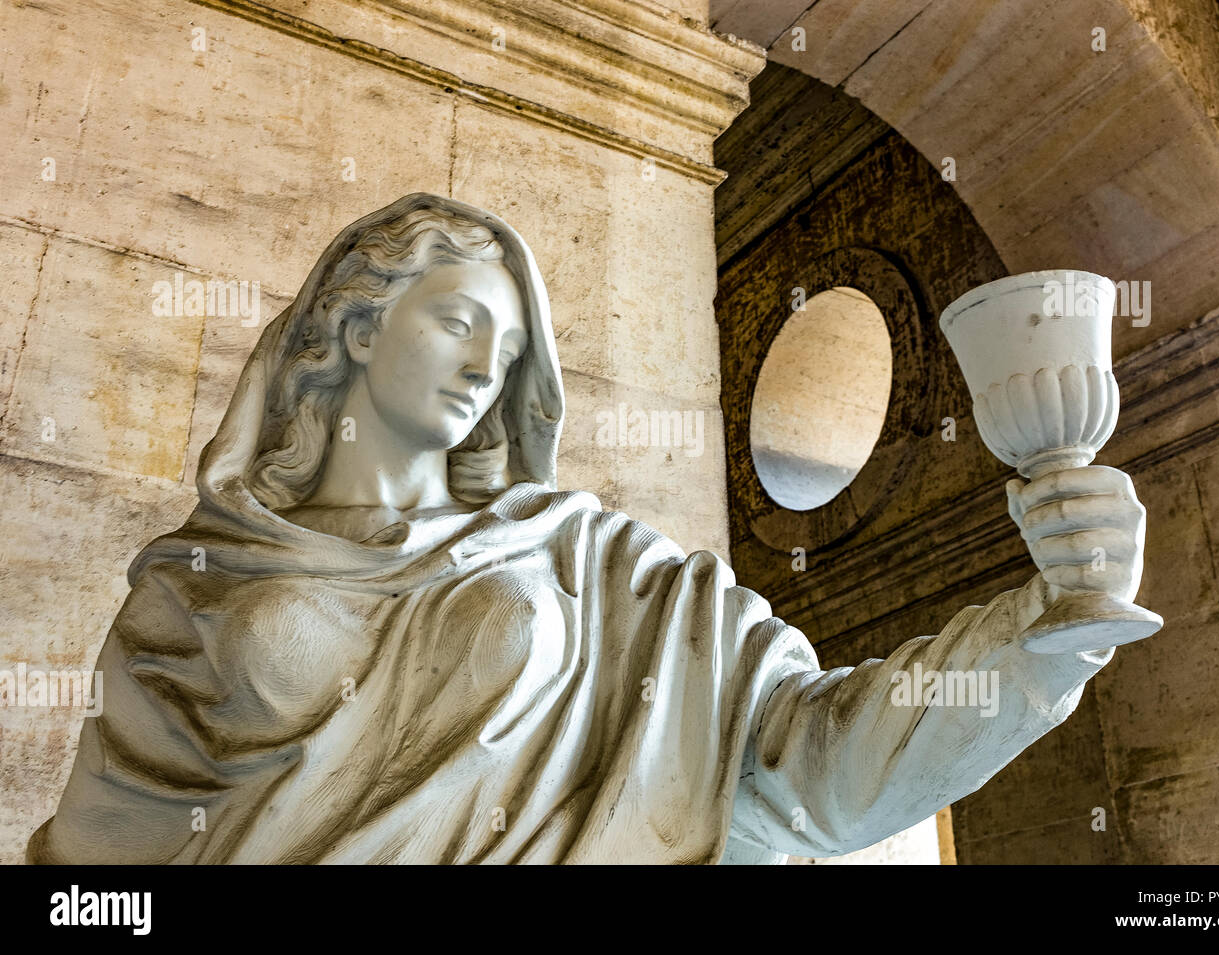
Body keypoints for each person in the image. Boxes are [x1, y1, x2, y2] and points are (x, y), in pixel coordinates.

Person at [29, 193, 1149, 864]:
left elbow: (812, 754)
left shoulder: (591, 563)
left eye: (506, 347)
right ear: (356, 327)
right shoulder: (196, 588)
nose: (485, 367)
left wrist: (1046, 629)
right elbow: (90, 874)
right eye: (458, 321)